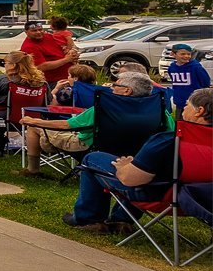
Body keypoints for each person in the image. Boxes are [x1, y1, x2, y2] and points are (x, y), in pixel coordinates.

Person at [64, 85, 204, 231]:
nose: (184, 108)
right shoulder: (202, 142)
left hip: (159, 195)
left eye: (187, 105)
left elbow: (131, 179)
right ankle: (121, 221)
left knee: (92, 159)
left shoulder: (168, 141)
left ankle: (89, 219)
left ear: (200, 111)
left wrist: (124, 166)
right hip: (199, 199)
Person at [21, 70, 154, 176]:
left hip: (89, 147)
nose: (112, 88)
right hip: (137, 152)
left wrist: (34, 121)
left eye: (116, 85)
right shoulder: (157, 110)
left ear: (127, 90)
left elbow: (66, 125)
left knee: (34, 127)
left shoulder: (106, 108)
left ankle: (33, 170)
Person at [18, 19, 74, 92]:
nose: (39, 32)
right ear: (26, 32)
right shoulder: (29, 47)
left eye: (40, 29)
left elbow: (67, 43)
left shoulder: (48, 36)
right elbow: (41, 66)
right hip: (53, 82)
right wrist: (66, 60)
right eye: (34, 31)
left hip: (69, 77)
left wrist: (72, 51)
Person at [163, 43, 211, 114]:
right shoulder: (172, 68)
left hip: (195, 103)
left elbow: (206, 82)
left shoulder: (196, 67)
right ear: (173, 54)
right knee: (180, 123)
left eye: (188, 54)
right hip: (179, 102)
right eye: (182, 54)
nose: (186, 56)